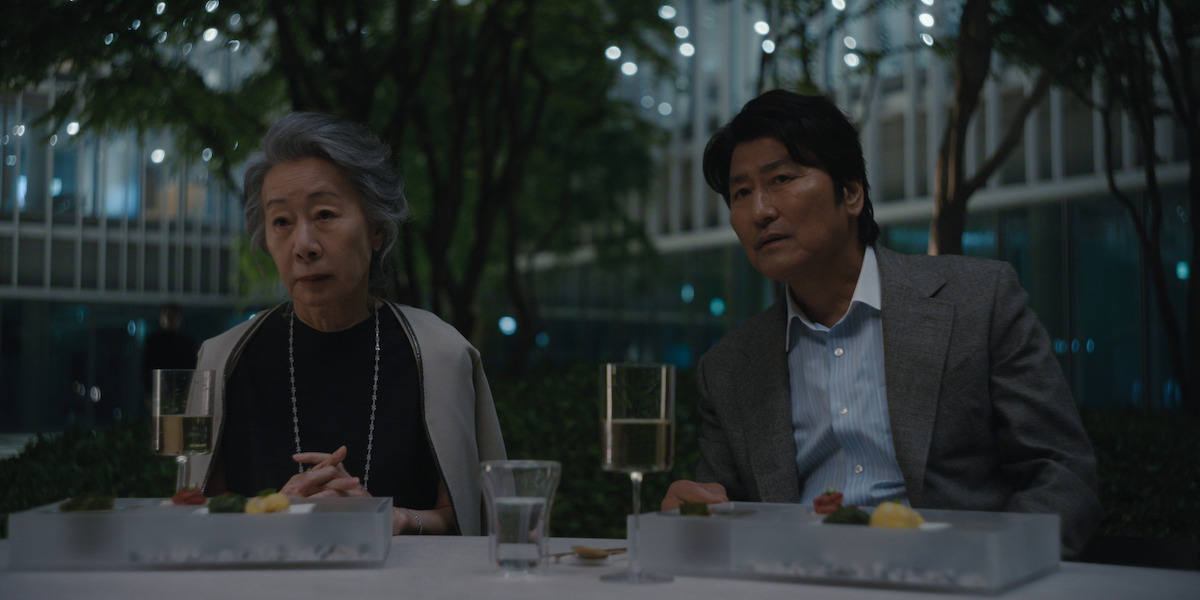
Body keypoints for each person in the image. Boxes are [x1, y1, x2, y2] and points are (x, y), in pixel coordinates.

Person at [660, 90, 1101, 559]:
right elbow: (719, 509)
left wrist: (988, 564)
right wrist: (694, 510)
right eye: (741, 193)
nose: (760, 211)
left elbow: (1061, 473)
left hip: (953, 576)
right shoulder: (729, 367)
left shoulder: (978, 301)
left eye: (781, 179)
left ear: (851, 193)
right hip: (798, 579)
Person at [188, 112, 506, 536]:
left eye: (324, 214)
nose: (304, 245)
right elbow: (197, 515)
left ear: (376, 229)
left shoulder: (439, 355)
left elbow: (469, 516)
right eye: (281, 222)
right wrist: (272, 512)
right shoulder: (223, 359)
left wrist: (392, 517)